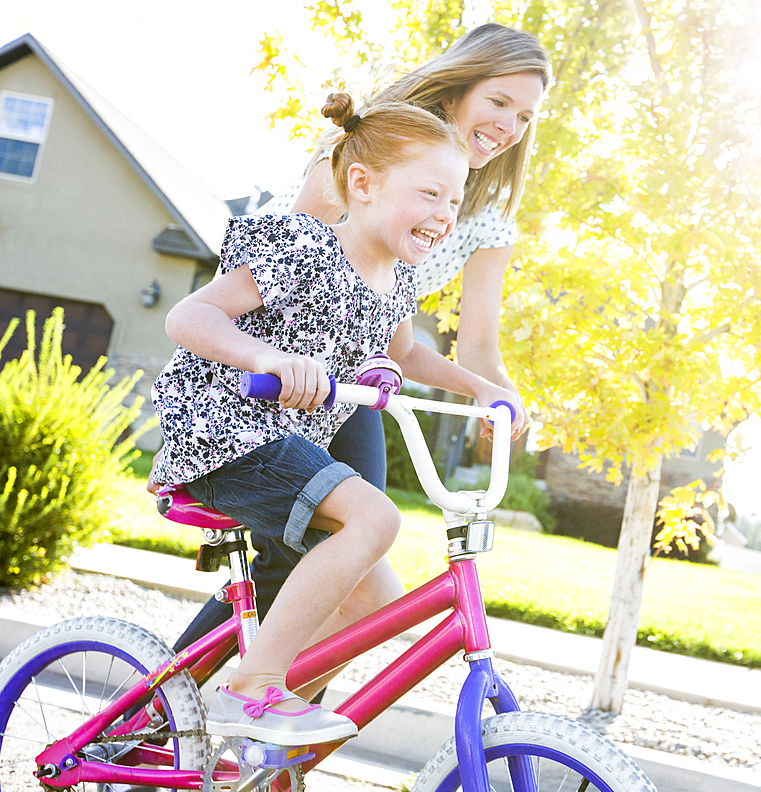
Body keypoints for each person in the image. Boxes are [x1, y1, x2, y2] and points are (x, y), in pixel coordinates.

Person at [166, 23, 552, 684]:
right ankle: (176, 708)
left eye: (526, 115)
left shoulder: (482, 211)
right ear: (463, 85)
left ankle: (268, 764)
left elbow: (462, 342)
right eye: (500, 102)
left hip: (351, 385)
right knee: (306, 548)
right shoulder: (369, 151)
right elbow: (274, 288)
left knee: (373, 599)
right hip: (272, 389)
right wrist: (210, 409)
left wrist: (495, 394)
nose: (510, 125)